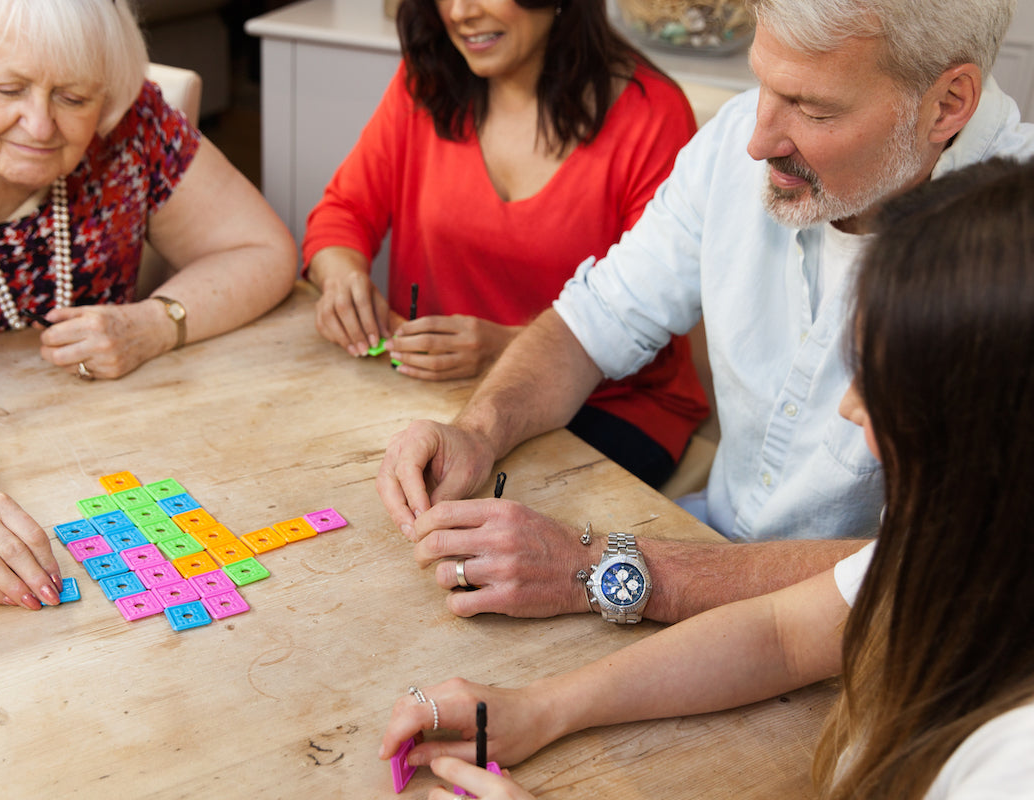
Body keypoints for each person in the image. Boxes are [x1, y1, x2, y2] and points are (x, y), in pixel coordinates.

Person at [381, 155, 1034, 800]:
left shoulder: (1014, 759)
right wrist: (540, 708)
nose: (850, 405)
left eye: (887, 380)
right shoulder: (964, 540)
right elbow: (779, 634)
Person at [376, 0, 1034, 624]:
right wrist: (478, 431)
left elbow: (912, 575)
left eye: (812, 108)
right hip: (697, 550)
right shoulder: (736, 144)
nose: (757, 139)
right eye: (763, 85)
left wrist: (598, 567)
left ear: (948, 104)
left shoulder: (1013, 253)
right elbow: (596, 318)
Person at [0, 0, 296, 610]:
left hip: (94, 449)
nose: (41, 124)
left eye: (73, 98)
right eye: (7, 89)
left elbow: (262, 249)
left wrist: (157, 322)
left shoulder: (132, 124)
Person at [303, 0, 709, 488]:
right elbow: (342, 213)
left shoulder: (653, 115)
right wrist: (342, 276)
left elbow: (647, 329)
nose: (459, 12)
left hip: (612, 406)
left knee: (473, 518)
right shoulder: (427, 79)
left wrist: (506, 346)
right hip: (438, 391)